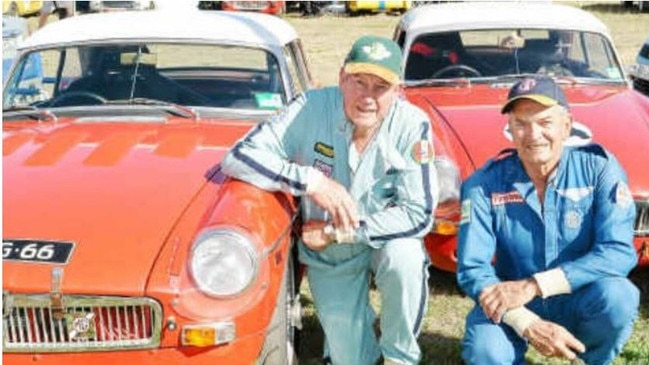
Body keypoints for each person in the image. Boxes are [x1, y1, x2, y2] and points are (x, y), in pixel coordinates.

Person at [221, 35, 439, 365]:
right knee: (350, 359)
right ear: (341, 78)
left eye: (381, 86)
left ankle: (399, 357)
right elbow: (238, 156)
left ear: (398, 91)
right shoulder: (308, 107)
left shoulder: (412, 124)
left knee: (405, 256)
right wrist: (312, 180)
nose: (368, 97)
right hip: (331, 253)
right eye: (358, 82)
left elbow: (419, 214)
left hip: (369, 237)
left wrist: (337, 231)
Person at [456, 75, 640, 365]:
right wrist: (526, 322)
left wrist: (534, 285)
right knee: (485, 351)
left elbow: (618, 252)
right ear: (509, 130)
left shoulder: (599, 169)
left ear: (567, 125)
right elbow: (473, 269)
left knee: (619, 297)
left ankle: (590, 359)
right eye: (521, 123)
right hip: (510, 299)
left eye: (544, 122)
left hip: (578, 293)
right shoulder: (482, 184)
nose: (532, 134)